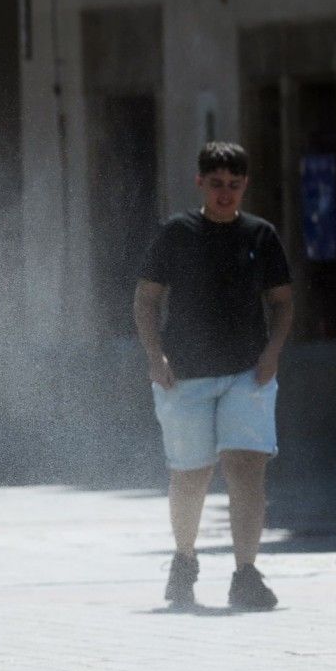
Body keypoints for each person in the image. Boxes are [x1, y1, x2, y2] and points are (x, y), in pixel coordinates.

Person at [134, 141, 293, 611]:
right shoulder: (176, 233)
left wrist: (273, 352)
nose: (226, 194)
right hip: (186, 376)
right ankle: (184, 561)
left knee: (247, 471)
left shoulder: (260, 236)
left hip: (248, 371)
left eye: (235, 185)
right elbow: (146, 299)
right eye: (218, 184)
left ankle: (245, 572)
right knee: (191, 474)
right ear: (200, 182)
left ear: (245, 186)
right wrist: (154, 355)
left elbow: (282, 302)